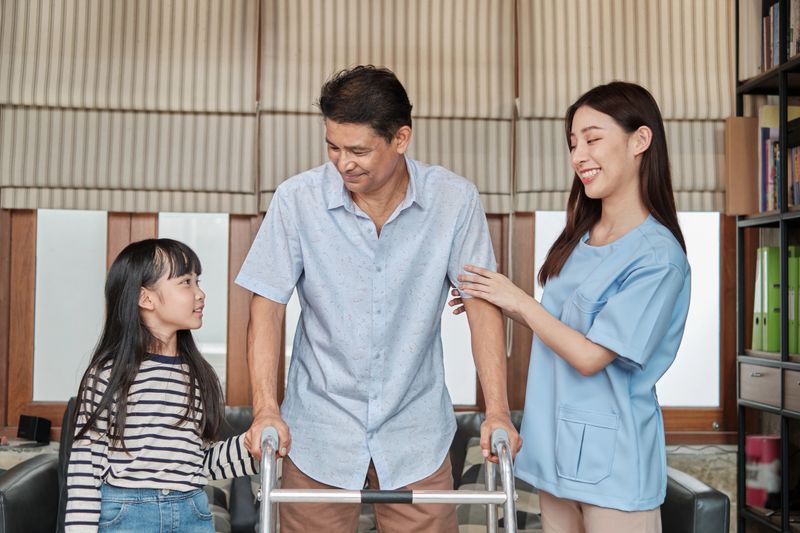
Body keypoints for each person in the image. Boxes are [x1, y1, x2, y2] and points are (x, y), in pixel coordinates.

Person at [235, 65, 521, 532]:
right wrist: (266, 407)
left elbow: (482, 308)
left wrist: (497, 412)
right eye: (332, 147)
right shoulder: (297, 200)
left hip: (416, 431)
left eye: (358, 150)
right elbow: (266, 306)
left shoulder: (454, 201)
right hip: (318, 430)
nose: (343, 163)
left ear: (401, 138)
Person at [451, 81, 690, 533]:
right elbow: (563, 328)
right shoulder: (580, 238)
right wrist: (498, 301)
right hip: (555, 457)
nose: (579, 155)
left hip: (616, 469)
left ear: (640, 140)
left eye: (593, 139)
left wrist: (516, 299)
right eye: (573, 143)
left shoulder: (658, 258)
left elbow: (589, 356)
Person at [64, 239, 258, 532]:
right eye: (186, 282)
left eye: (198, 281)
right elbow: (84, 472)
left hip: (191, 511)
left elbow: (197, 463)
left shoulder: (198, 374)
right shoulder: (108, 374)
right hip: (127, 517)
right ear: (146, 299)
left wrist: (251, 447)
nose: (200, 293)